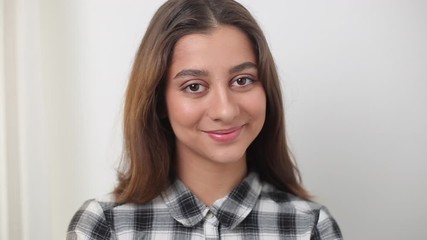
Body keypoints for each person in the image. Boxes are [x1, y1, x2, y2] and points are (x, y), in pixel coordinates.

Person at [67, 0, 343, 239]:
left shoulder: (309, 226)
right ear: (159, 100)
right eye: (194, 86)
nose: (225, 110)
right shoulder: (105, 226)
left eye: (242, 80)